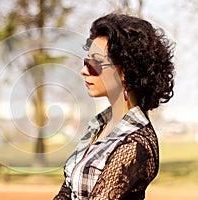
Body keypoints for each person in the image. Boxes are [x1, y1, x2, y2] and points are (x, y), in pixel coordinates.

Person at [54, 13, 175, 200]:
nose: (84, 70)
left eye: (95, 63)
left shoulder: (136, 144)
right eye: (87, 61)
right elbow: (67, 190)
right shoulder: (100, 124)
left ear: (126, 70)